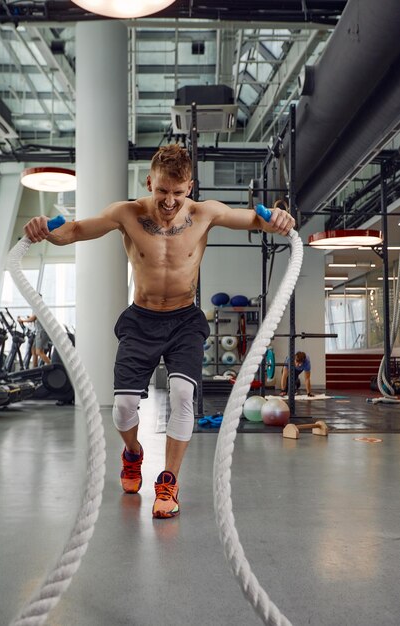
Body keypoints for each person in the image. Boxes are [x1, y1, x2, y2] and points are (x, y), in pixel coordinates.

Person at [23, 144, 295, 519]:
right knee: (122, 408)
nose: (169, 201)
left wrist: (278, 219)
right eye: (162, 191)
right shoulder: (127, 213)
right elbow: (75, 230)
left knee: (183, 394)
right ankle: (133, 453)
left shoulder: (205, 213)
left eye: (178, 193)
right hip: (141, 319)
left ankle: (168, 481)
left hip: (185, 319)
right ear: (150, 181)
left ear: (190, 187)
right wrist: (45, 232)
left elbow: (254, 220)